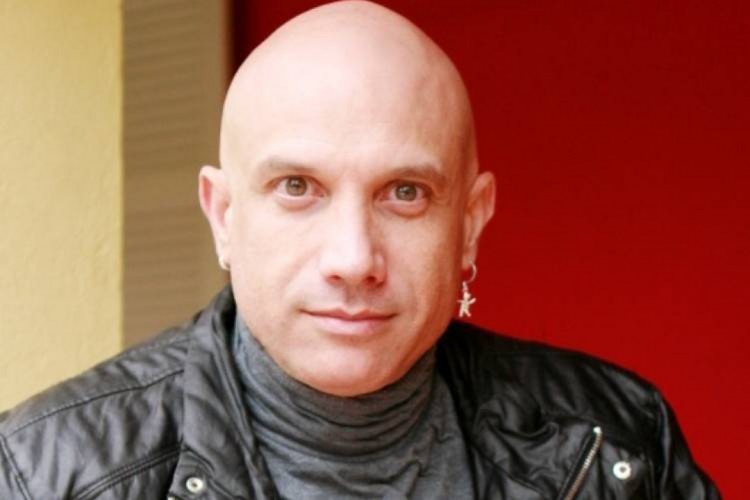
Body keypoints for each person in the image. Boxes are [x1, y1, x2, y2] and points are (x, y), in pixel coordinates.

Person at [0, 2, 719, 499]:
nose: (352, 259)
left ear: (469, 224)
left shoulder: (619, 443)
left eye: (404, 193)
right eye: (297, 187)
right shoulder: (42, 473)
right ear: (223, 215)